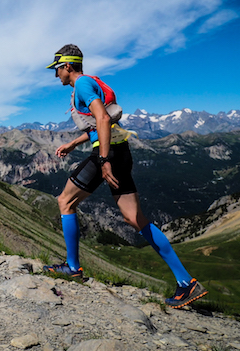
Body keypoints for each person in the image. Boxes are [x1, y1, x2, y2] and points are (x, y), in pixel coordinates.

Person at [42, 44, 208, 309]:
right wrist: (75, 143)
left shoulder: (82, 85)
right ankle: (186, 282)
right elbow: (102, 121)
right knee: (134, 218)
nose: (56, 75)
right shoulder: (92, 83)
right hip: (122, 151)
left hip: (107, 154)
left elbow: (104, 121)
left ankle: (72, 267)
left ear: (68, 66)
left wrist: (104, 160)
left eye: (57, 69)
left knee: (65, 202)